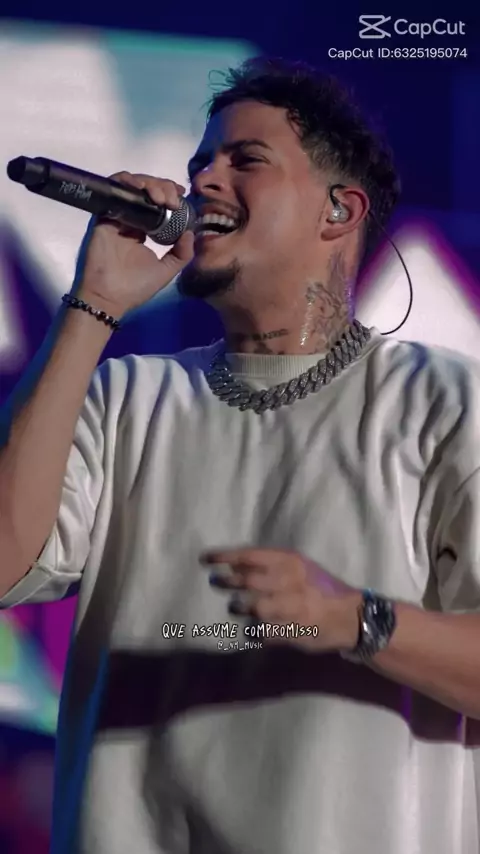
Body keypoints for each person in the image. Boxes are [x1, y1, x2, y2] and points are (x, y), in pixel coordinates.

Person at [0, 56, 480, 854]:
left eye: (244, 160)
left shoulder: (447, 402)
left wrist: (353, 618)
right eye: (201, 162)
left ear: (339, 210)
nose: (203, 181)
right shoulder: (125, 399)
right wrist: (93, 303)